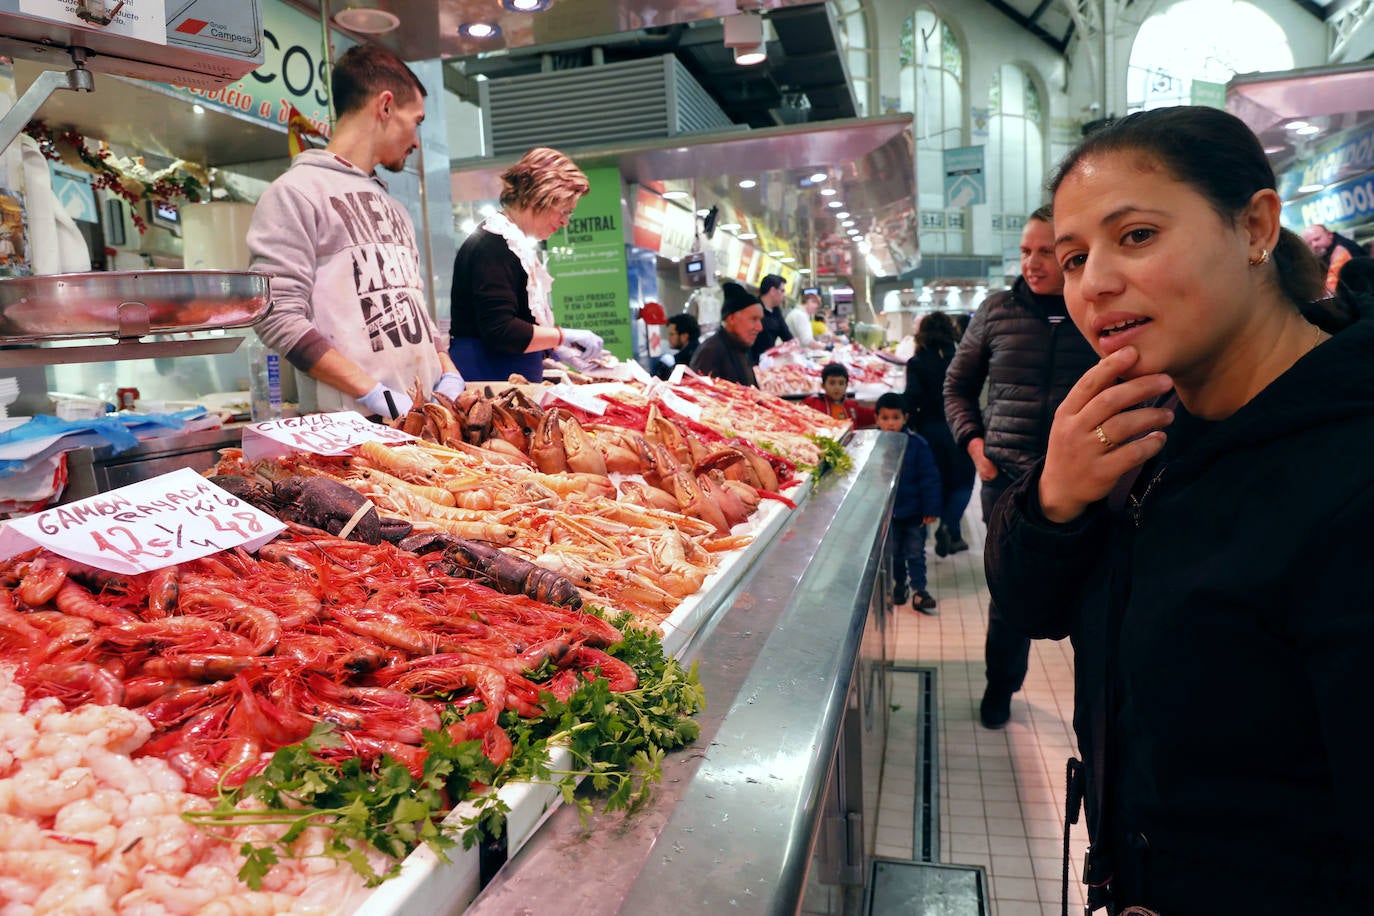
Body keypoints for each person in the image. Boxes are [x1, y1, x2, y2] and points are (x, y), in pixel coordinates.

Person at [985, 105, 1374, 915]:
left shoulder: (1347, 474)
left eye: (1136, 237)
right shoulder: (1150, 425)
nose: (1095, 282)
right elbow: (1031, 606)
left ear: (1257, 226)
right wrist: (1055, 497)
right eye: (1075, 257)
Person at [944, 204, 1098, 730]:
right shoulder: (995, 311)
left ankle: (1096, 710)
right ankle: (1000, 686)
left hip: (1085, 482)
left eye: (1047, 251)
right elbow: (957, 387)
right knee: (1010, 593)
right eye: (1026, 251)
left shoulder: (1095, 308)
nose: (1033, 262)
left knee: (1093, 595)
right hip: (1006, 479)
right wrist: (974, 446)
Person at [249, 43, 463, 419]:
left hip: (425, 422)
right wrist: (370, 392)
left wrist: (447, 369)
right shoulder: (296, 192)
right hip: (352, 432)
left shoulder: (394, 206)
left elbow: (413, 307)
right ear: (385, 106)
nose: (416, 141)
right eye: (416, 121)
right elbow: (276, 314)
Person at [448, 147, 604, 383]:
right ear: (539, 197)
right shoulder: (492, 244)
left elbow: (518, 321)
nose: (564, 222)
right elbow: (501, 330)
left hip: (509, 378)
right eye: (564, 211)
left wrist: (553, 350)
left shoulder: (513, 242)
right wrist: (561, 336)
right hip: (486, 380)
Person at [904, 312, 974, 556]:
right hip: (961, 427)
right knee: (964, 482)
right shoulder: (961, 360)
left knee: (940, 480)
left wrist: (910, 425)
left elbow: (911, 398)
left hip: (929, 430)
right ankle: (949, 526)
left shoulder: (917, 362)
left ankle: (951, 532)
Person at [874, 392, 941, 613]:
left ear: (905, 418)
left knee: (915, 552)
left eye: (895, 417)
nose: (890, 423)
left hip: (914, 513)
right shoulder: (875, 446)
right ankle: (899, 586)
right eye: (885, 418)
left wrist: (930, 509)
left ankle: (920, 591)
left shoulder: (917, 444)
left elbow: (929, 478)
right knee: (894, 554)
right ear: (877, 419)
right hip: (889, 514)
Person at [690, 282, 762, 387]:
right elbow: (701, 396)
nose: (760, 327)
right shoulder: (710, 351)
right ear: (732, 319)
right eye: (754, 319)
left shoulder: (742, 346)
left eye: (760, 320)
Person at [1301, 222, 1368, 295]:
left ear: (1329, 235)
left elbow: (1332, 289)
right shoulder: (1323, 254)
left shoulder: (1341, 251)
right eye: (1309, 243)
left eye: (1317, 239)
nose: (1314, 245)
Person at [802, 362, 875, 427]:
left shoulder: (852, 406)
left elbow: (874, 414)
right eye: (832, 383)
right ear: (823, 385)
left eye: (841, 383)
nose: (837, 387)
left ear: (846, 385)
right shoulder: (812, 404)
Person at [750, 273, 794, 363]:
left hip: (768, 363)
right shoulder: (751, 308)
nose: (785, 295)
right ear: (773, 291)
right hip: (751, 364)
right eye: (782, 291)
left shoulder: (776, 311)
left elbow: (787, 336)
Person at [653, 313, 700, 380]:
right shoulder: (700, 350)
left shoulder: (681, 362)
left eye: (672, 334)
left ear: (684, 336)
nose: (669, 338)